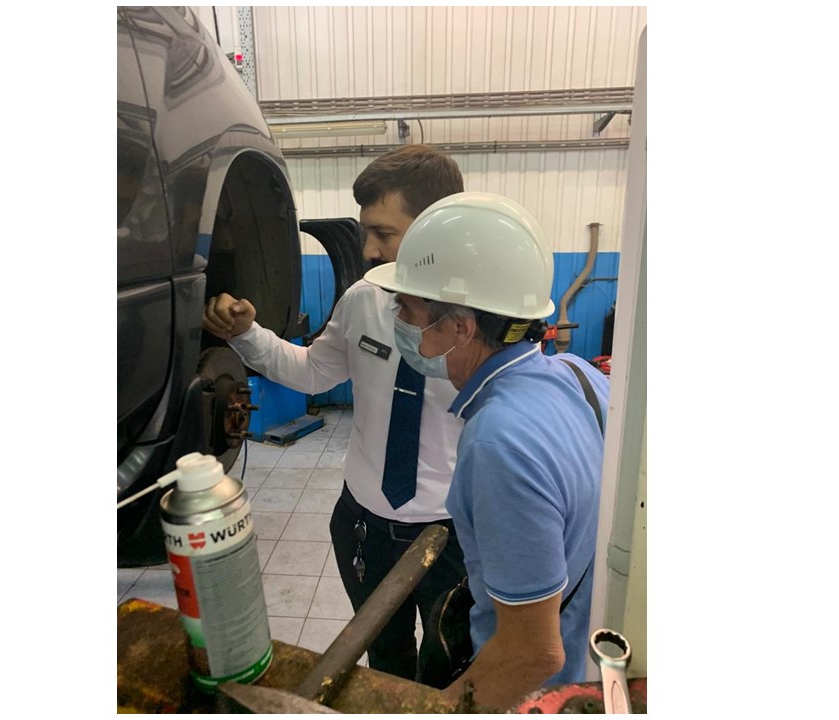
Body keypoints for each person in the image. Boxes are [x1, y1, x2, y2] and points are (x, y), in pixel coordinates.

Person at [201, 145, 468, 684]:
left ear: (436, 229)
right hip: (366, 524)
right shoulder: (363, 300)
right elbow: (313, 372)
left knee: (448, 668)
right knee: (384, 663)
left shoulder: (483, 321)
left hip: (453, 534)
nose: (368, 249)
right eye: (366, 231)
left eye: (384, 233)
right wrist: (247, 334)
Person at [363, 191, 609, 709]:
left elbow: (532, 654)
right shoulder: (578, 375)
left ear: (460, 327)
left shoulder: (498, 444)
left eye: (407, 307)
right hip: (584, 660)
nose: (400, 320)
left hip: (528, 695)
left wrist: (445, 711)